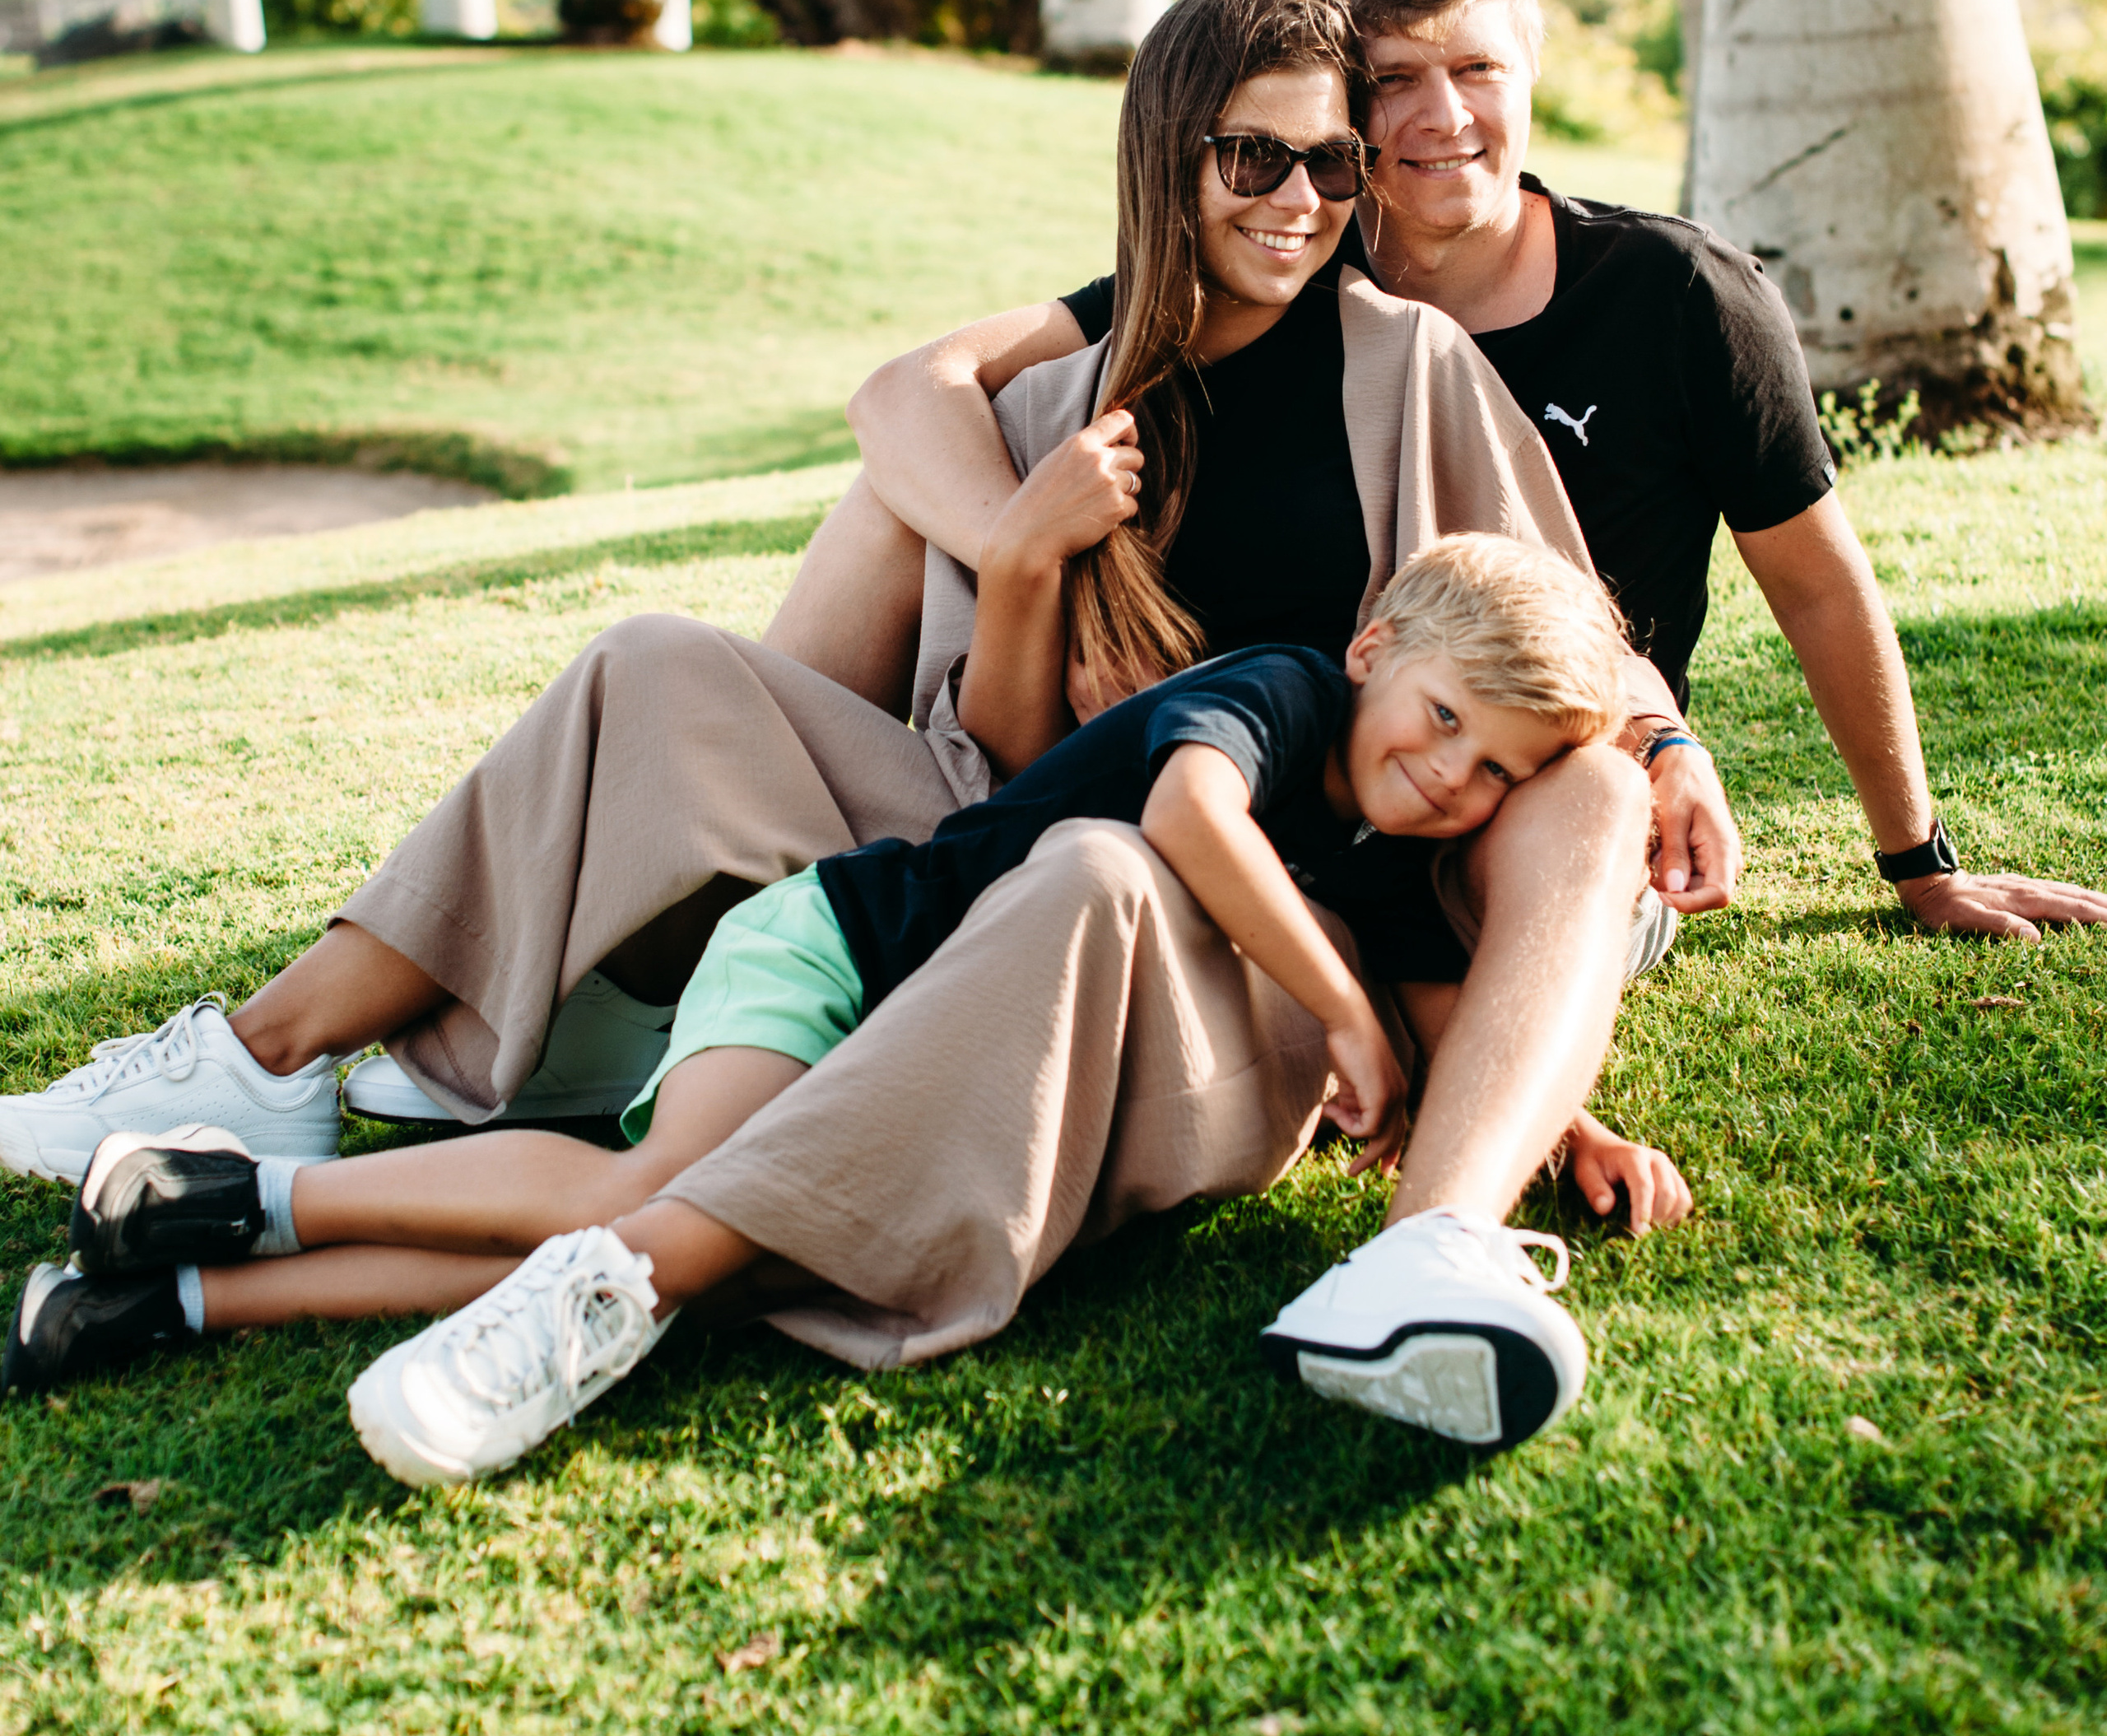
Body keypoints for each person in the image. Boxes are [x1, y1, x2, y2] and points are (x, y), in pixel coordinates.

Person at [0, 0, 1672, 1453]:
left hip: (1199, 913)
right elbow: (1008, 744)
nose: (1301, 201)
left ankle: (249, 1244)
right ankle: (266, 1058)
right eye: (1256, 159)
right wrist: (1023, 555)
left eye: (1330, 165)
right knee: (658, 659)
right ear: (1172, 161)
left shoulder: (1404, 380)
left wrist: (1525, 1044)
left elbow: (1545, 666)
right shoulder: (1077, 384)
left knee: (1091, 883)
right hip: (995, 841)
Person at [10, 533, 1634, 1487]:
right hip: (836, 956)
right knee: (653, 1205)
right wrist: (1337, 1011)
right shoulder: (1282, 692)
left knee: (719, 1267)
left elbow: (1452, 1008)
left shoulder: (1381, 839)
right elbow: (1189, 823)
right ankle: (246, 1190)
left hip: (918, 1045)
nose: (1445, 779)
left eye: (1488, 773)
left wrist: (1552, 1117)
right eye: (1437, 724)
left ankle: (175, 1291)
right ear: (1373, 656)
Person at [812, 0, 2107, 946]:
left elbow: (1820, 587)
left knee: (1571, 806)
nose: (1441, 117)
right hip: (1277, 756)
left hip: (1535, 768)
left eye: (1477, 66)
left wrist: (1917, 861)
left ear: (1530, 66)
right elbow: (906, 390)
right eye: (1392, 78)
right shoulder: (1281, 255)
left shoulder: (1676, 297)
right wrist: (1045, 552)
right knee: (893, 510)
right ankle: (788, 885)